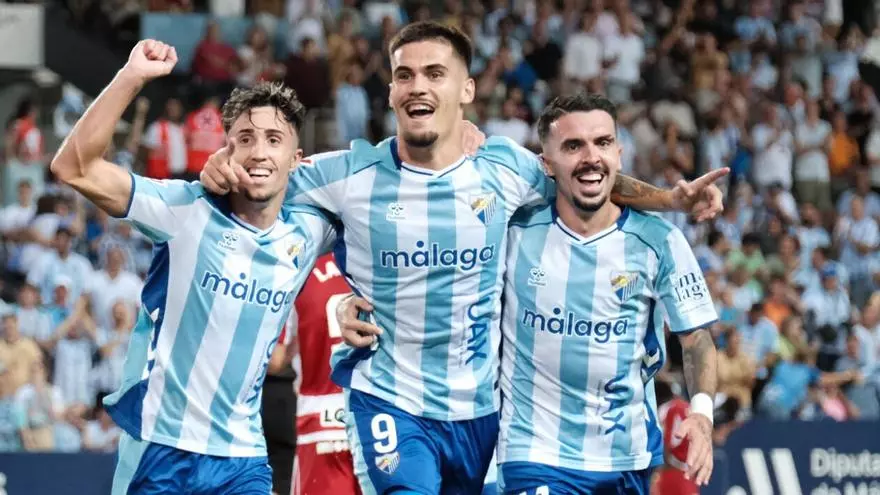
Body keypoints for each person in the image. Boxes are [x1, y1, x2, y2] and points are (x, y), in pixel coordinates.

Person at [199, 21, 726, 494]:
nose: (418, 86)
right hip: (390, 399)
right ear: (391, 92)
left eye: (435, 74)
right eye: (404, 76)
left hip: (481, 414)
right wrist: (219, 171)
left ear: (466, 89)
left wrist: (669, 199)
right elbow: (261, 177)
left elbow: (585, 175)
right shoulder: (347, 175)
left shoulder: (506, 170)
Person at [338, 94, 719, 493]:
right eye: (573, 146)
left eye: (603, 143)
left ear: (619, 154)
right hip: (534, 454)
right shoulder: (511, 228)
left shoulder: (660, 242)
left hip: (627, 457)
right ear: (545, 164)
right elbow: (432, 271)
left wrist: (702, 413)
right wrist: (350, 302)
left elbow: (696, 338)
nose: (591, 156)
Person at [49, 39, 337, 494]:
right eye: (245, 139)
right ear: (225, 151)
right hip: (161, 449)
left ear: (296, 160)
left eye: (274, 140)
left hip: (243, 457)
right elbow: (73, 167)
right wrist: (132, 76)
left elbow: (383, 208)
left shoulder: (310, 231)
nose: (259, 152)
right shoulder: (185, 209)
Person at [289, 253, 361, 495]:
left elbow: (276, 359)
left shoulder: (299, 267)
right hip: (377, 417)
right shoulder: (377, 263)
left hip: (319, 425)